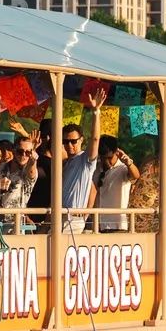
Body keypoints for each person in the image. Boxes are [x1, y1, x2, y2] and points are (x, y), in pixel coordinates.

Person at [57, 84, 107, 232]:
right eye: (66, 141)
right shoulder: (66, 163)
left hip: (73, 220)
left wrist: (96, 112)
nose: (69, 145)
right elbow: (93, 189)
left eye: (73, 141)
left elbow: (96, 139)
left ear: (81, 140)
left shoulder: (85, 160)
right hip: (60, 217)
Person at [95, 136, 140, 232]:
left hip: (117, 226)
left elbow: (136, 175)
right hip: (98, 225)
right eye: (103, 158)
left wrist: (129, 163)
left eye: (109, 158)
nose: (106, 162)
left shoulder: (123, 168)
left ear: (117, 152)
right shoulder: (96, 167)